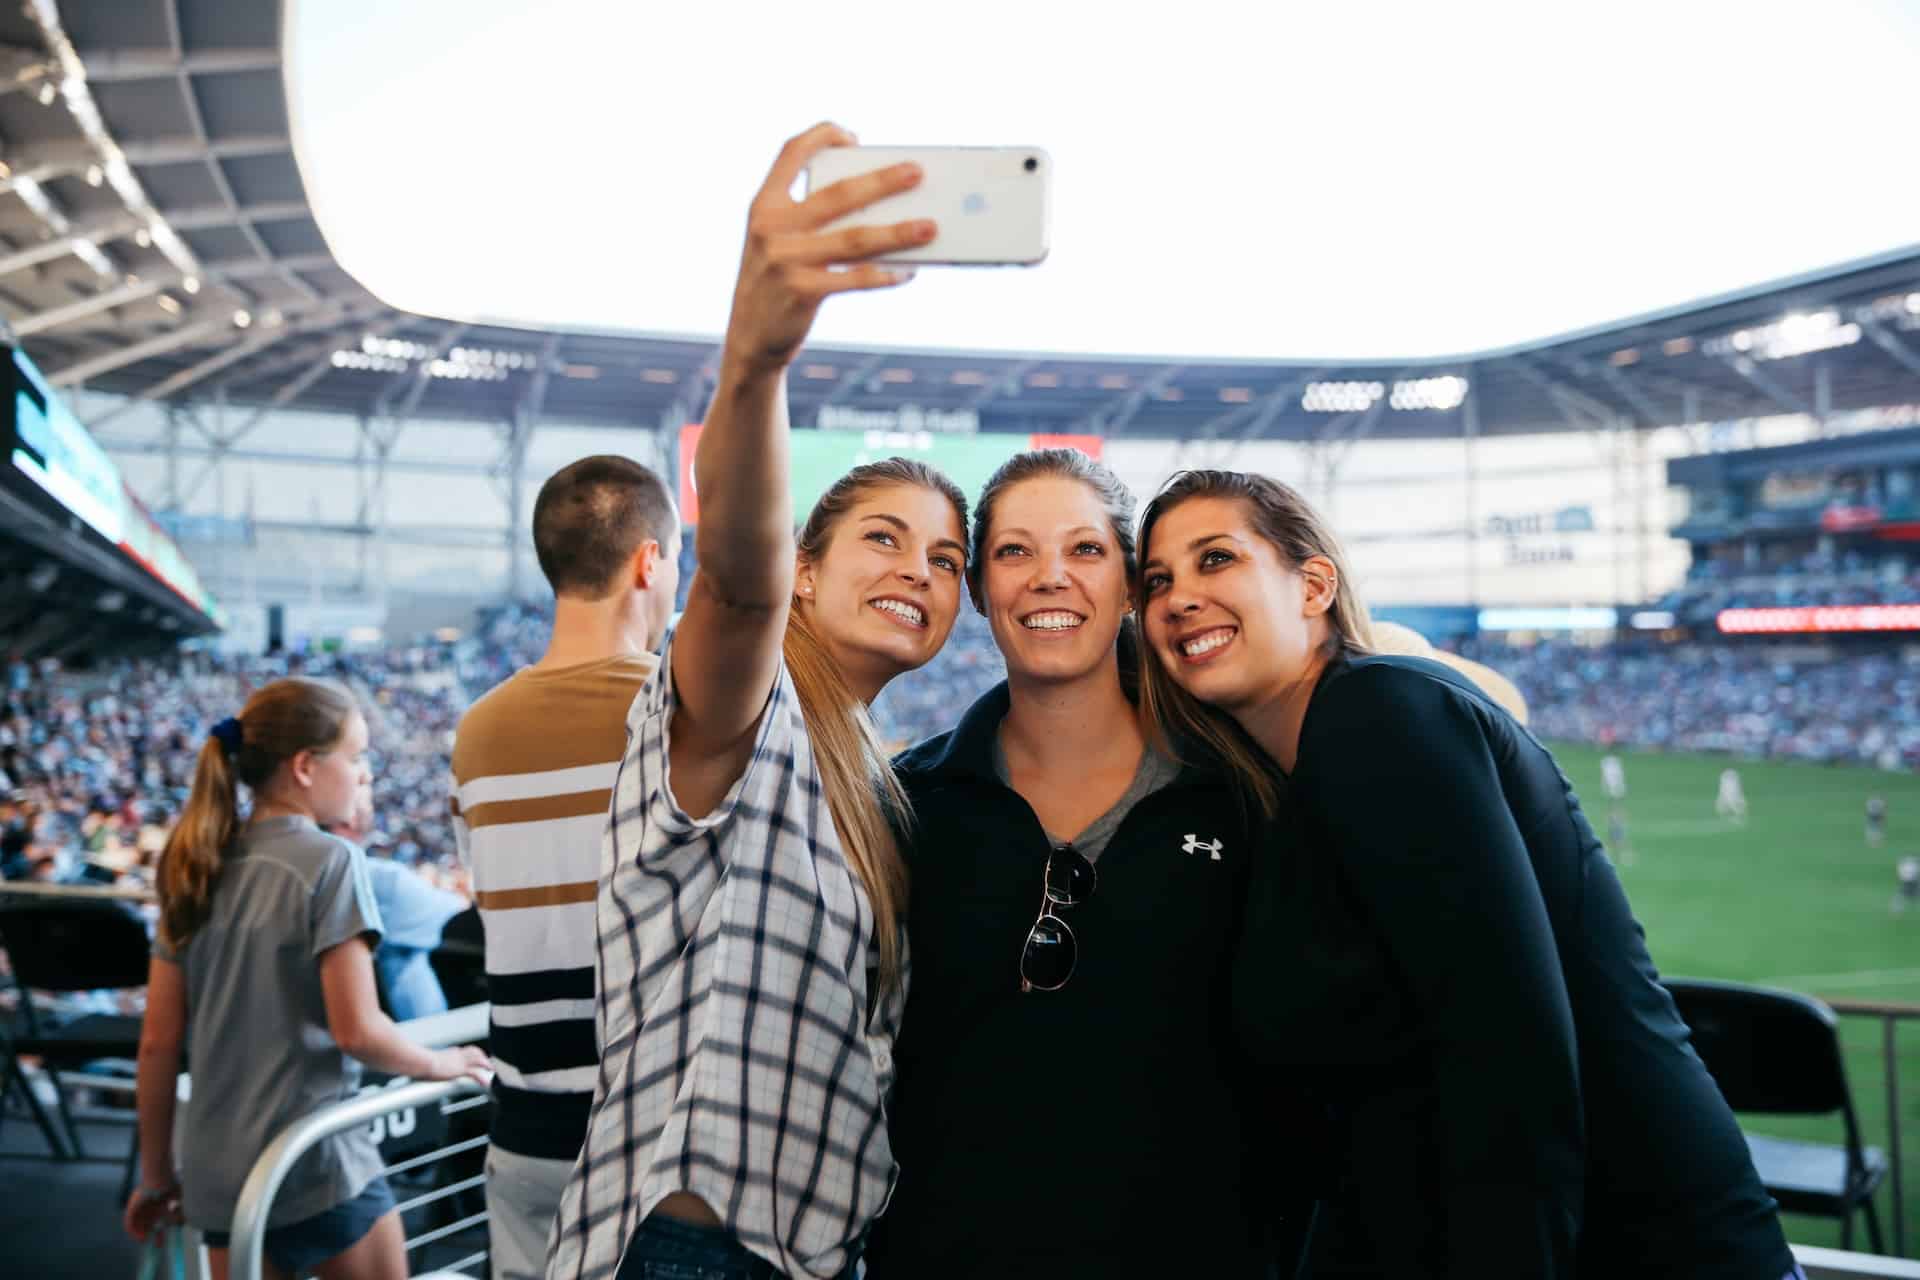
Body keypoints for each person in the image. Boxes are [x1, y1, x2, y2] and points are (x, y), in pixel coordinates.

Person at [1133, 469, 1798, 1279]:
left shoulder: (1380, 713)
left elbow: (1509, 1051)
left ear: (1313, 586)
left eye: (1215, 560)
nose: (1179, 597)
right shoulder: (1291, 778)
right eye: (1158, 580)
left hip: (1633, 1249)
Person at [545, 123, 970, 1280]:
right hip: (689, 1257)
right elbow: (736, 579)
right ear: (811, 570)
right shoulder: (756, 699)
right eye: (884, 538)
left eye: (945, 560)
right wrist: (755, 364)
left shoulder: (877, 774)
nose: (917, 573)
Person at [864, 449, 1274, 1279]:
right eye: (1016, 551)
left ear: (1131, 583)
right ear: (978, 590)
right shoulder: (906, 803)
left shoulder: (1241, 794)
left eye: (1085, 550)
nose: (1051, 577)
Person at [124, 679, 489, 1280]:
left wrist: (157, 1177)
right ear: (305, 767)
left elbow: (158, 1044)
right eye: (356, 756)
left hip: (218, 1172)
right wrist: (443, 1064)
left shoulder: (194, 864)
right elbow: (359, 1032)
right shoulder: (332, 862)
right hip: (314, 1165)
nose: (364, 772)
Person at [449, 456, 681, 1280]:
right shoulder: (673, 713)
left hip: (519, 1134)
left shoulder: (475, 732)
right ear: (649, 561)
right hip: (644, 1140)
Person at [327, 784, 468, 1022]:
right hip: (421, 1046)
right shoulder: (383, 881)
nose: (367, 777)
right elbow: (457, 911)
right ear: (348, 818)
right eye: (360, 780)